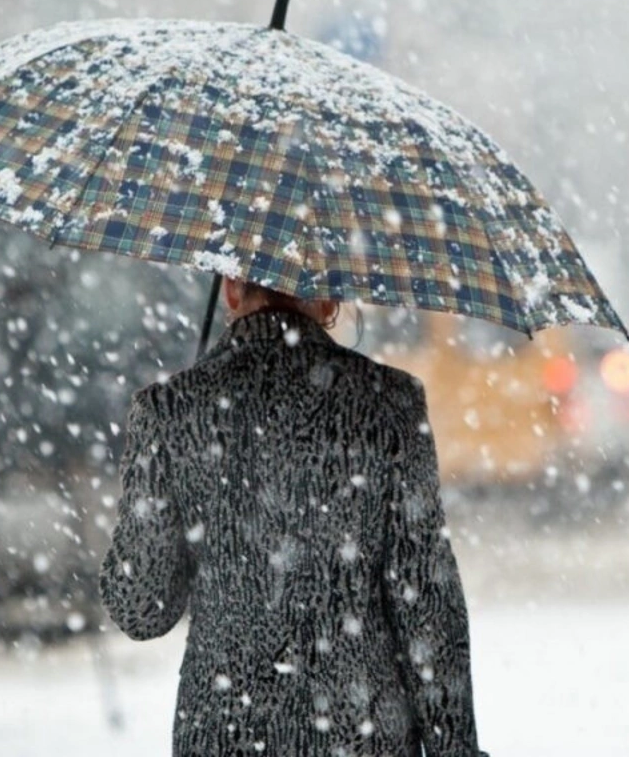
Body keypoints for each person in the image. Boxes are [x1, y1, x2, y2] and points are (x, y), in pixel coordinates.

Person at [100, 279, 487, 757]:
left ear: (232, 292)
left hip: (225, 736)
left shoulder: (168, 411)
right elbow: (425, 601)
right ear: (329, 301)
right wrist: (456, 750)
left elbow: (142, 609)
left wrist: (170, 459)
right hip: (363, 734)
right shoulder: (391, 404)